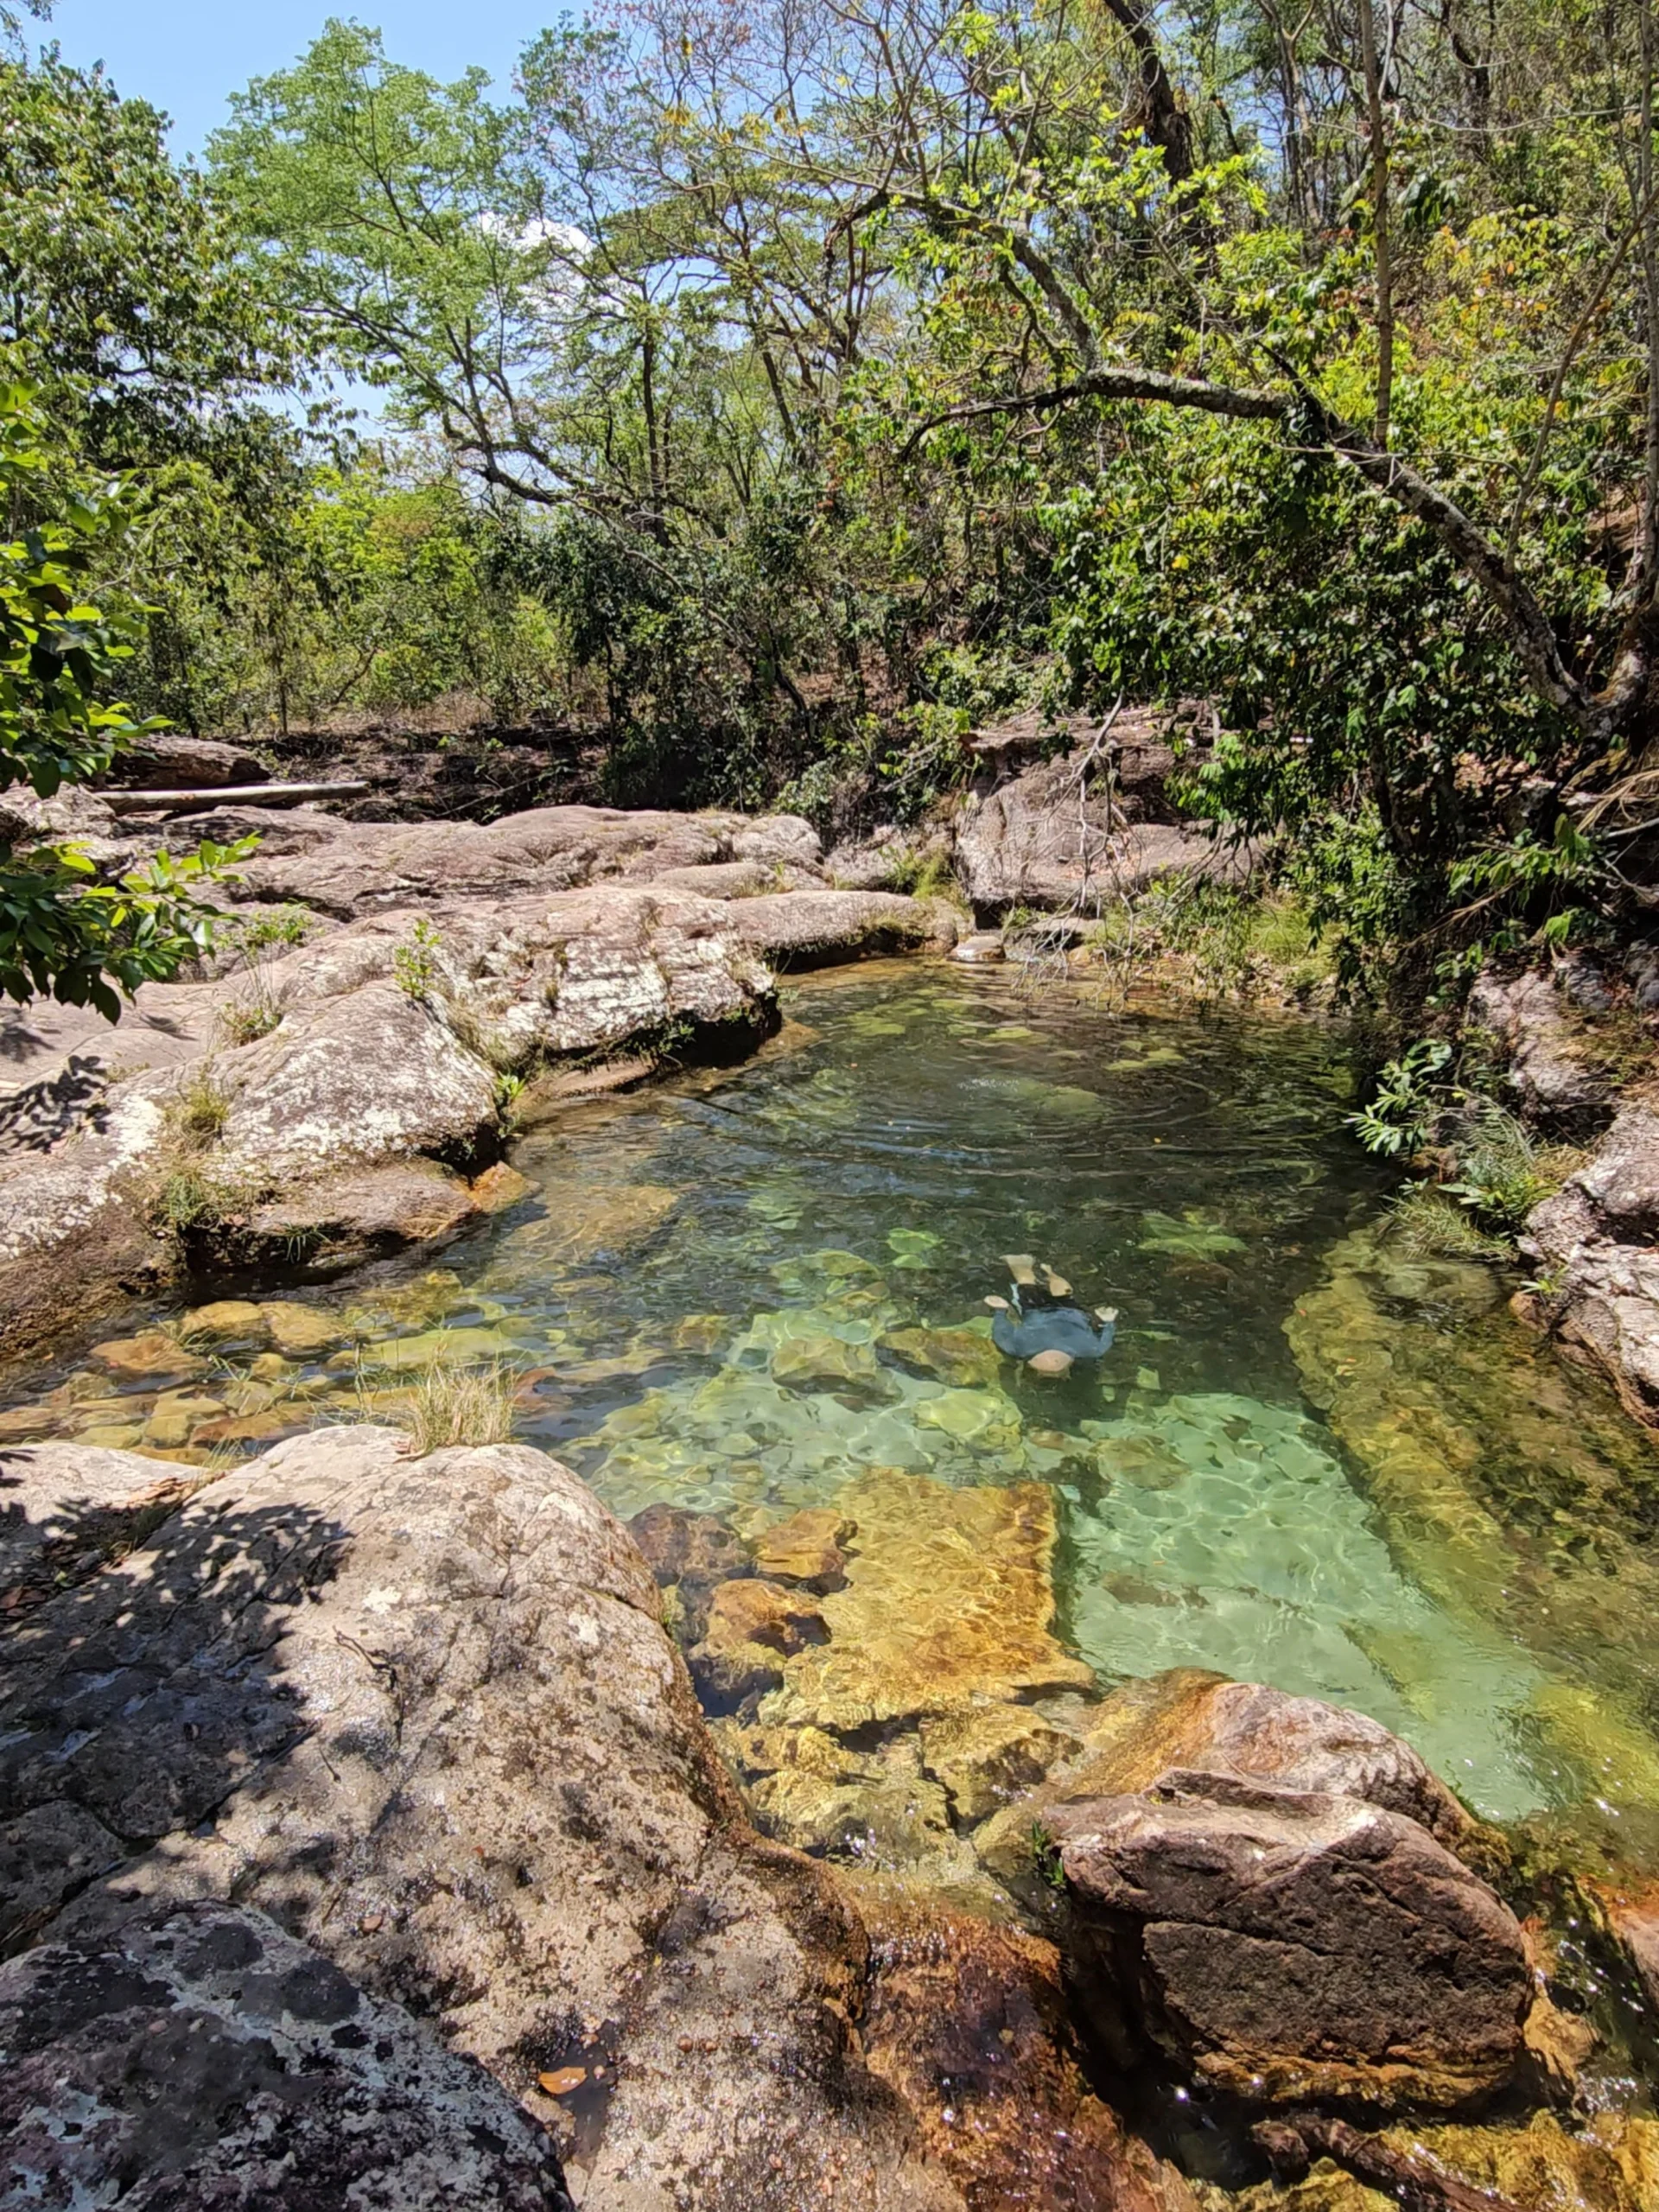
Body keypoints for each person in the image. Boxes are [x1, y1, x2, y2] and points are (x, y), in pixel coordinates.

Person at [986, 1255, 1117, 1376]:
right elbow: (1001, 1332)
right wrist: (1000, 1310)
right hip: (1035, 1310)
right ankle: (1036, 1267)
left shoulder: (1093, 1350)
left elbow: (1105, 1334)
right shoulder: (1018, 1349)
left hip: (1068, 1312)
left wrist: (1106, 1321)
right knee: (1025, 1282)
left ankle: (1050, 1272)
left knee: (1063, 1294)